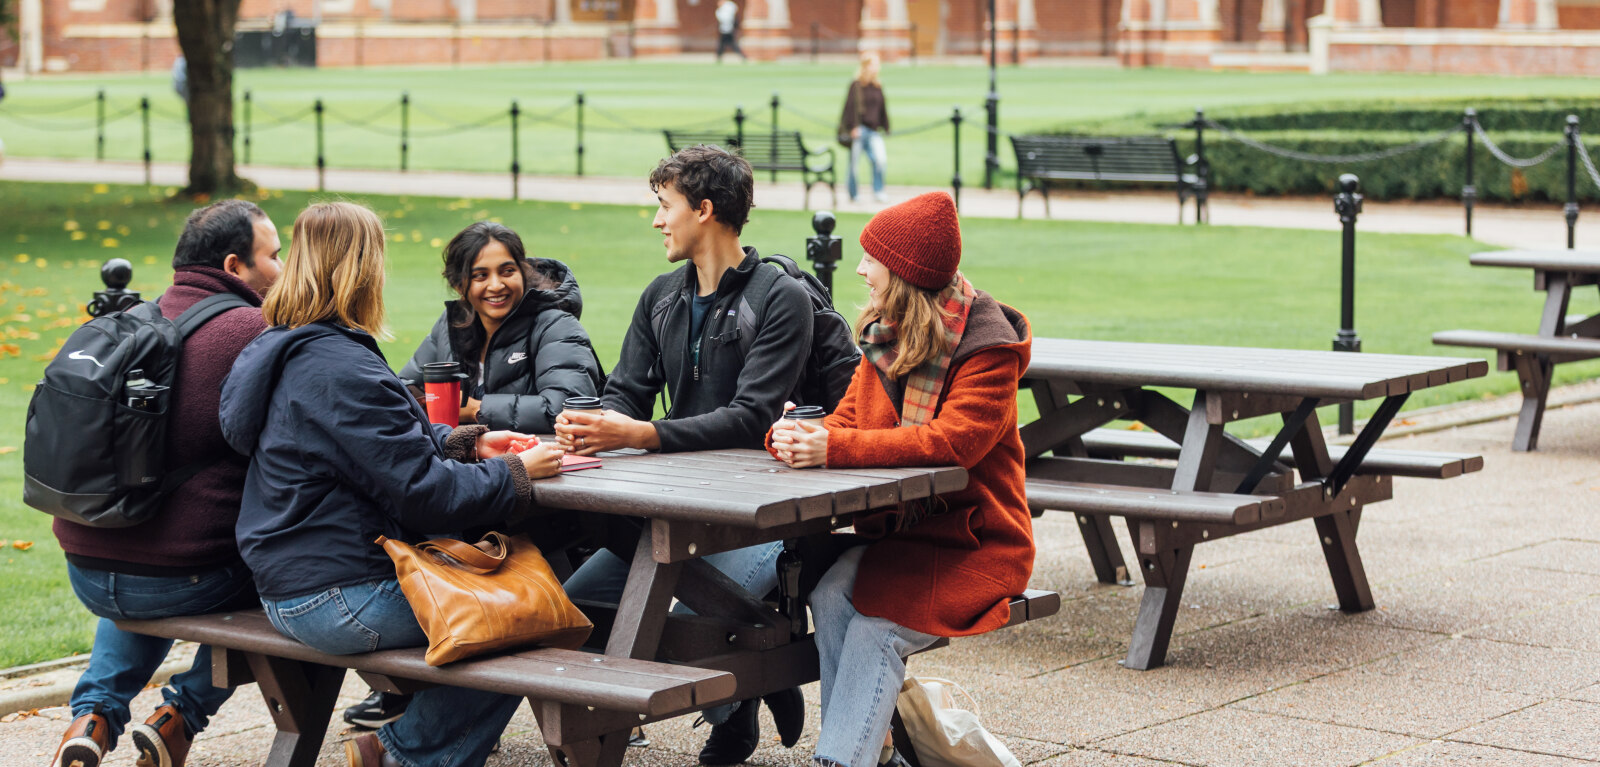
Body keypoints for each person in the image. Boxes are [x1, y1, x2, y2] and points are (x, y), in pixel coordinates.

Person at [218, 201, 565, 767]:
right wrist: (515, 473)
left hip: (287, 579)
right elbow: (426, 496)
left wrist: (467, 442)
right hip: (338, 594)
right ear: (359, 268)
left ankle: (398, 745)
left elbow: (369, 447)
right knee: (526, 616)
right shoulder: (340, 365)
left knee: (512, 607)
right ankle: (399, 755)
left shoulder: (285, 345)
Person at [553, 144, 809, 766]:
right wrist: (590, 425)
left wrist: (642, 435)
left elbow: (752, 417)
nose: (657, 220)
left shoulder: (781, 298)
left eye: (664, 206)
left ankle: (748, 689)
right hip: (666, 510)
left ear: (705, 208)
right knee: (571, 615)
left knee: (695, 627)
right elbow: (626, 394)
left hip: (755, 515)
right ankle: (747, 687)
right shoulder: (661, 296)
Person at [768, 191, 1036, 767]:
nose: (861, 269)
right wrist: (794, 434)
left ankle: (840, 759)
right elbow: (845, 421)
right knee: (830, 595)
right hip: (903, 535)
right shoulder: (888, 336)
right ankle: (875, 752)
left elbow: (951, 445)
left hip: (977, 540)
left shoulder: (987, 349)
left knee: (873, 632)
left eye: (872, 260)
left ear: (906, 274)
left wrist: (834, 448)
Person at [338, 223, 603, 729]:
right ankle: (410, 688)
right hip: (473, 489)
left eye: (507, 270)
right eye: (479, 275)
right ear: (461, 283)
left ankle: (585, 704)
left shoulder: (555, 324)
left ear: (523, 270)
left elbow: (564, 409)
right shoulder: (453, 326)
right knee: (393, 530)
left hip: (549, 496)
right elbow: (403, 392)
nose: (495, 285)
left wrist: (473, 409)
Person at [51, 200, 283, 767]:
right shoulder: (255, 332)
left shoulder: (131, 321)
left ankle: (93, 716)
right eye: (275, 255)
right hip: (184, 578)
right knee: (308, 590)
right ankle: (181, 714)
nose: (285, 267)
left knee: (149, 558)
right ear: (235, 266)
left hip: (86, 564)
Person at [838, 52, 890, 204]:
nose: (877, 68)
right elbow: (849, 107)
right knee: (854, 164)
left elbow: (882, 108)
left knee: (880, 160)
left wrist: (885, 126)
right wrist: (853, 127)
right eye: (874, 64)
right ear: (866, 66)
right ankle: (853, 194)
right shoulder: (856, 85)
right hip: (859, 130)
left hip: (873, 131)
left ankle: (878, 190)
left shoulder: (877, 85)